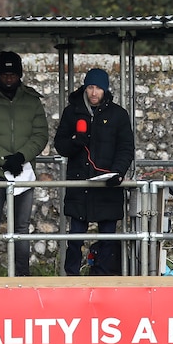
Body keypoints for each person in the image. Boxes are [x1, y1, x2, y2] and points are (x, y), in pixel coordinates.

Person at [0, 51, 49, 277]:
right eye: (4, 74)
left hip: (23, 172)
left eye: (13, 74)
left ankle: (22, 276)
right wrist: (5, 160)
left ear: (19, 74)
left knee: (21, 229)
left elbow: (40, 134)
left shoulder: (31, 101)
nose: (8, 79)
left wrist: (21, 157)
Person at [54, 68, 135, 276]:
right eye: (90, 87)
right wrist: (75, 143)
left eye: (98, 88)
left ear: (105, 89)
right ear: (85, 87)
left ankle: (103, 279)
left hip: (108, 187)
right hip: (80, 187)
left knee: (108, 239)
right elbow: (60, 144)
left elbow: (126, 148)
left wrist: (117, 172)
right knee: (74, 240)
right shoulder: (72, 112)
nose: (94, 92)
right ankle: (71, 278)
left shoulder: (118, 115)